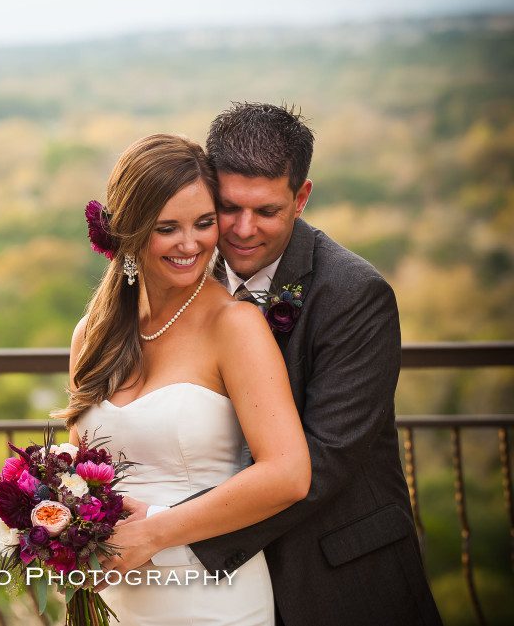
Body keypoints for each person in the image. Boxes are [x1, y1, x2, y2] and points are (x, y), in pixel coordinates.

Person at [122, 104, 443, 625]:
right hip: (207, 590)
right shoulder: (186, 273)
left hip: (338, 576)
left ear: (301, 197)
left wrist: (163, 529)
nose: (243, 229)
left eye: (267, 211)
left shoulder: (355, 295)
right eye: (228, 208)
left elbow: (322, 460)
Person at [53, 133, 311, 625]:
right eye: (167, 228)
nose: (190, 244)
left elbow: (288, 474)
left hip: (212, 599)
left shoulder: (234, 325)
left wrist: (152, 532)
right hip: (115, 600)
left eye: (204, 223)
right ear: (129, 230)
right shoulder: (91, 334)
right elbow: (83, 471)